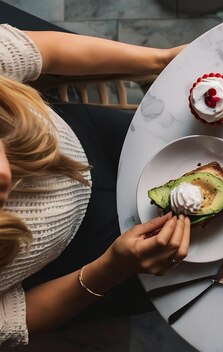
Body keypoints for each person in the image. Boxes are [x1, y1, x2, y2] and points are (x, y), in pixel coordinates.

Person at [0, 24, 192, 347]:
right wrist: (111, 269)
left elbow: (47, 51)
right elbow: (18, 318)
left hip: (88, 139)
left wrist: (162, 60)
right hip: (85, 257)